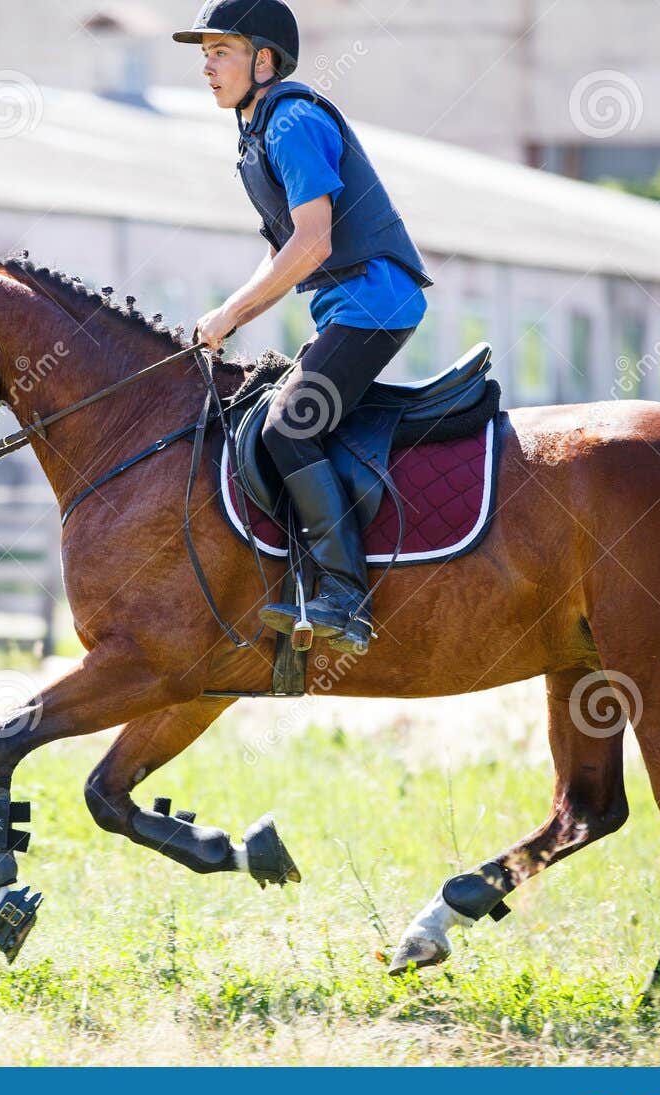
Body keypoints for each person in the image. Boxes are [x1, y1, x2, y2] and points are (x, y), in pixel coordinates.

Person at [175, 0, 432, 656]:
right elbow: (283, 251)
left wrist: (233, 313)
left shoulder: (290, 122)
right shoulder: (256, 135)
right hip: (343, 309)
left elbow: (312, 244)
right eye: (203, 53)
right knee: (270, 415)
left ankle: (346, 596)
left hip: (375, 303)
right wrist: (227, 312)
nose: (206, 66)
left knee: (291, 423)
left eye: (221, 51)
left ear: (264, 60)